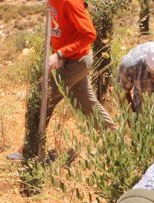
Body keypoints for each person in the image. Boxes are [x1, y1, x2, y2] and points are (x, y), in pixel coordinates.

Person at [9, 0, 115, 161]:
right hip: (70, 60)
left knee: (42, 100)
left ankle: (30, 150)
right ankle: (114, 140)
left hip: (74, 61)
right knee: (87, 102)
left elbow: (89, 34)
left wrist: (61, 54)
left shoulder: (70, 1)